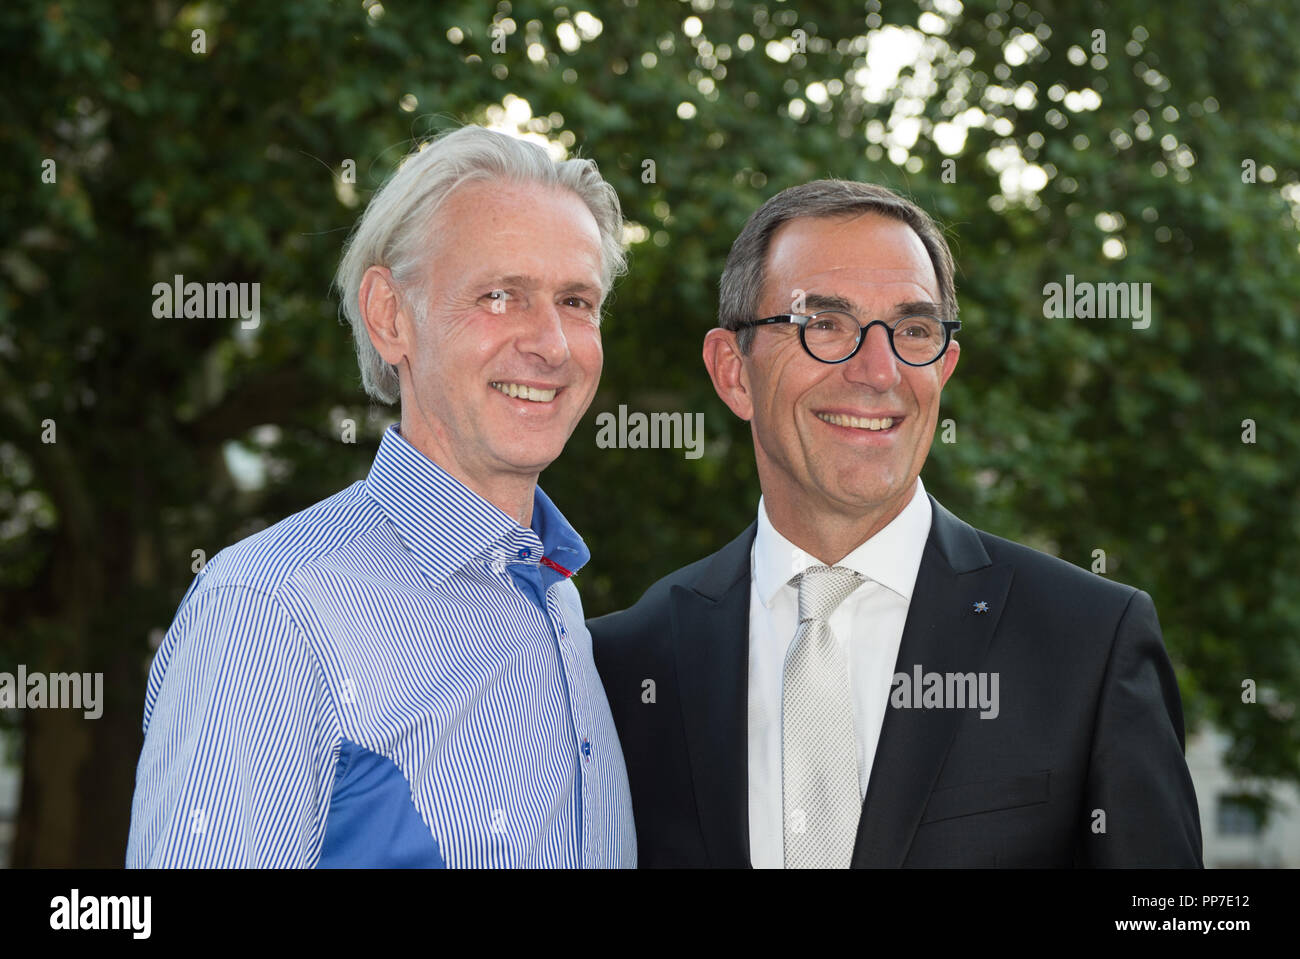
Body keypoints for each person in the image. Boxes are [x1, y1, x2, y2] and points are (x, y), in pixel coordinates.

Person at [589, 179, 1202, 868]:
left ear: (944, 366)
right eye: (824, 324)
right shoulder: (624, 664)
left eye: (913, 330)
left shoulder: (1089, 642)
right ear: (733, 372)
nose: (878, 371)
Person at [126, 126, 635, 868]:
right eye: (500, 295)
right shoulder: (269, 611)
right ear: (391, 315)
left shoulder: (554, 598)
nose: (552, 344)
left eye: (577, 300)